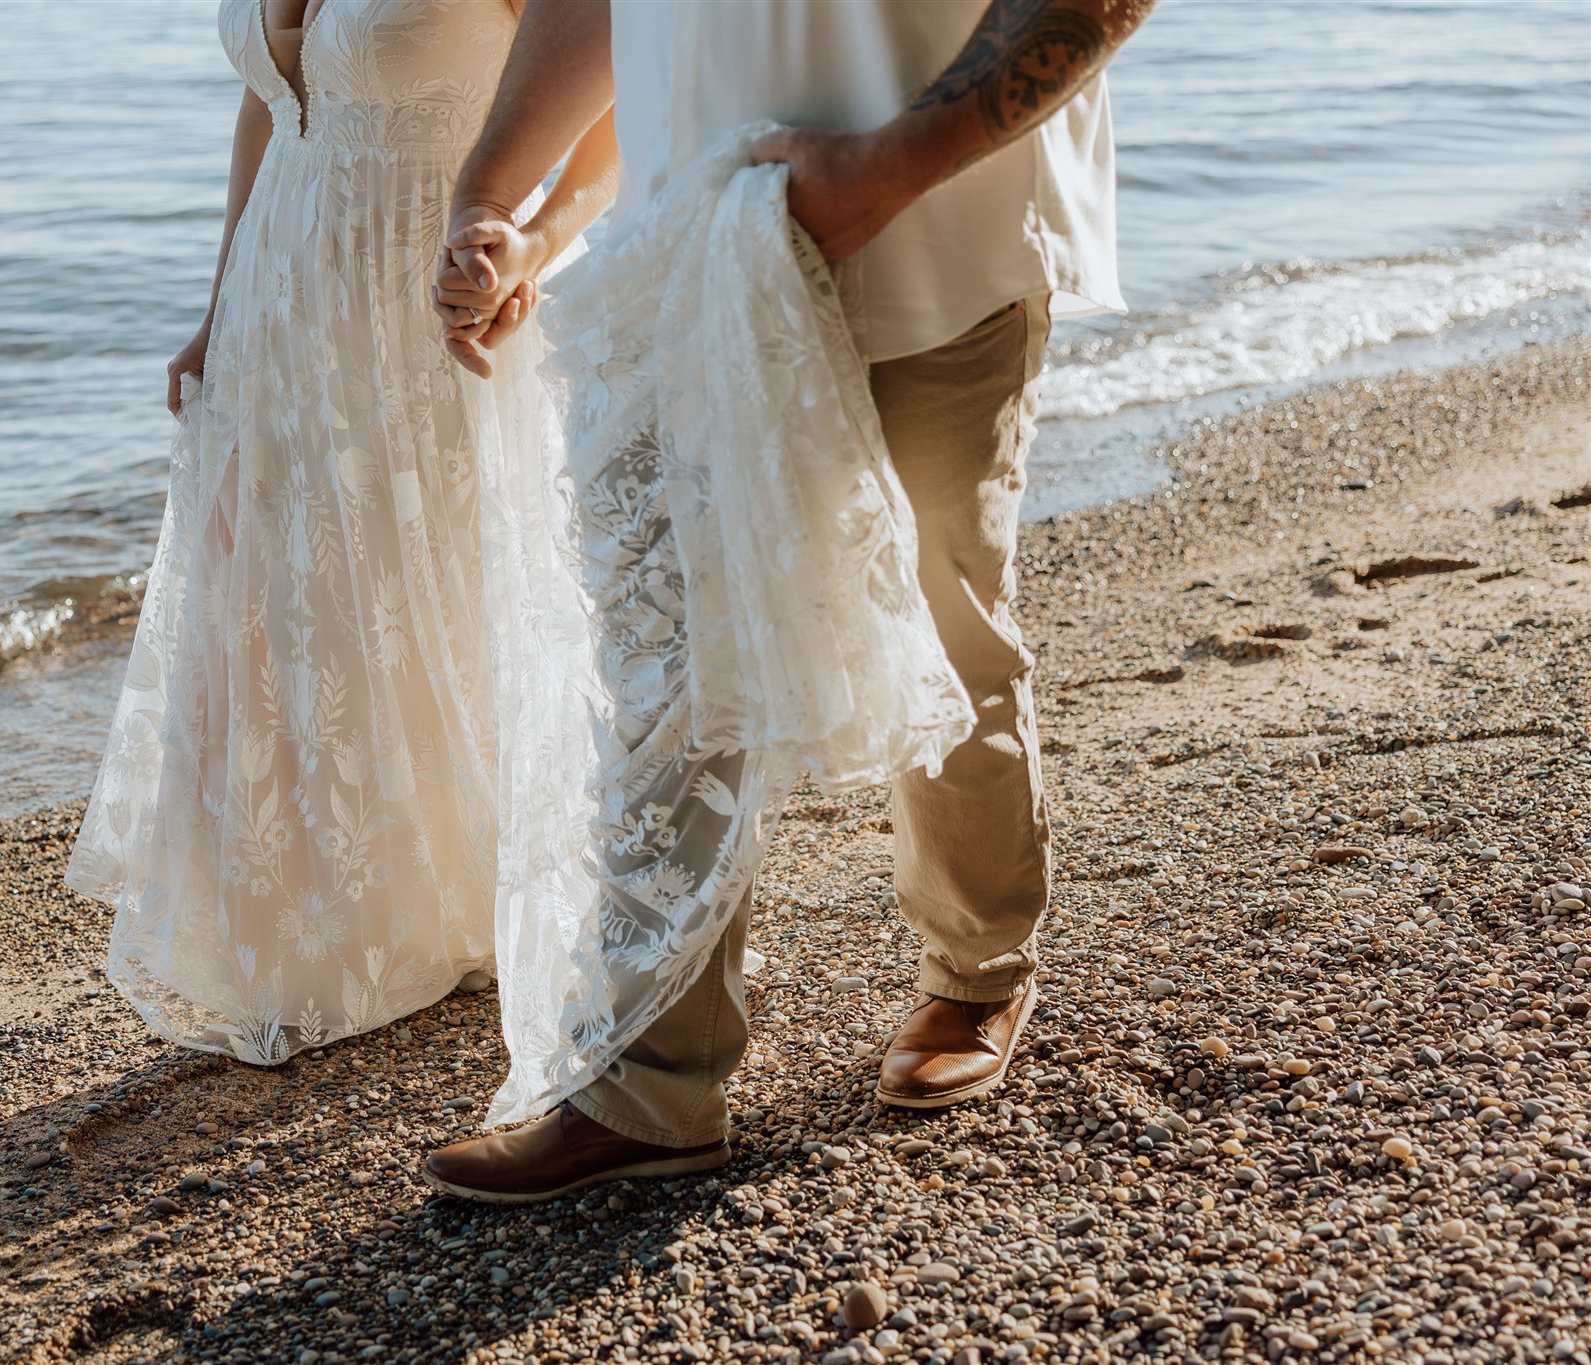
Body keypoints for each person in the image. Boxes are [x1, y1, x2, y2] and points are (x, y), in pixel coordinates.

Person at [423, 0, 1154, 1204]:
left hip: (937, 232)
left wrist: (886, 167)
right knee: (659, 658)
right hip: (686, 240)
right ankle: (649, 1084)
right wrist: (493, 196)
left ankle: (977, 968)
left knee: (944, 618)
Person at [65, 0, 616, 1064]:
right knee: (275, 614)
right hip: (284, 304)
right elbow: (272, 106)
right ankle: (334, 928)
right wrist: (219, 309)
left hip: (417, 311)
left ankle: (463, 904)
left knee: (430, 601)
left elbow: (622, 102)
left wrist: (530, 246)